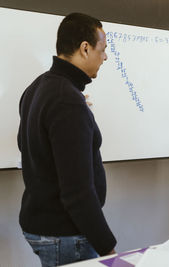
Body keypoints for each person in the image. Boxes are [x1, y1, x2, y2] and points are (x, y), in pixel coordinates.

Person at [17, 13, 116, 266]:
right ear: (85, 48)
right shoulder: (67, 100)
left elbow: (28, 147)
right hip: (65, 236)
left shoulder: (38, 87)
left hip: (43, 226)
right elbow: (77, 192)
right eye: (102, 50)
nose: (105, 57)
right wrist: (109, 249)